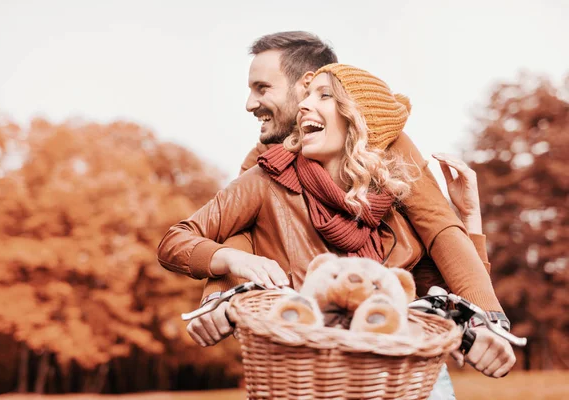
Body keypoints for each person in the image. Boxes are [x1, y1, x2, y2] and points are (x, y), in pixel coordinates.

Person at [157, 57, 515, 385]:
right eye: (306, 94)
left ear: (358, 120)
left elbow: (446, 291)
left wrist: (470, 220)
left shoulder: (394, 199)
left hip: (392, 374)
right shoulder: (266, 176)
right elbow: (194, 239)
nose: (304, 104)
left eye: (324, 95)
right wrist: (220, 292)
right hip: (309, 373)